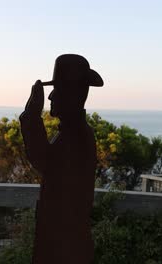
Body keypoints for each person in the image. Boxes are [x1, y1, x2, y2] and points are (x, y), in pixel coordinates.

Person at [20, 54, 103, 264]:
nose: (50, 97)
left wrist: (31, 115)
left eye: (57, 90)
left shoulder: (75, 137)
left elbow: (44, 161)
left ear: (71, 94)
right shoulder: (73, 133)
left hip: (64, 247)